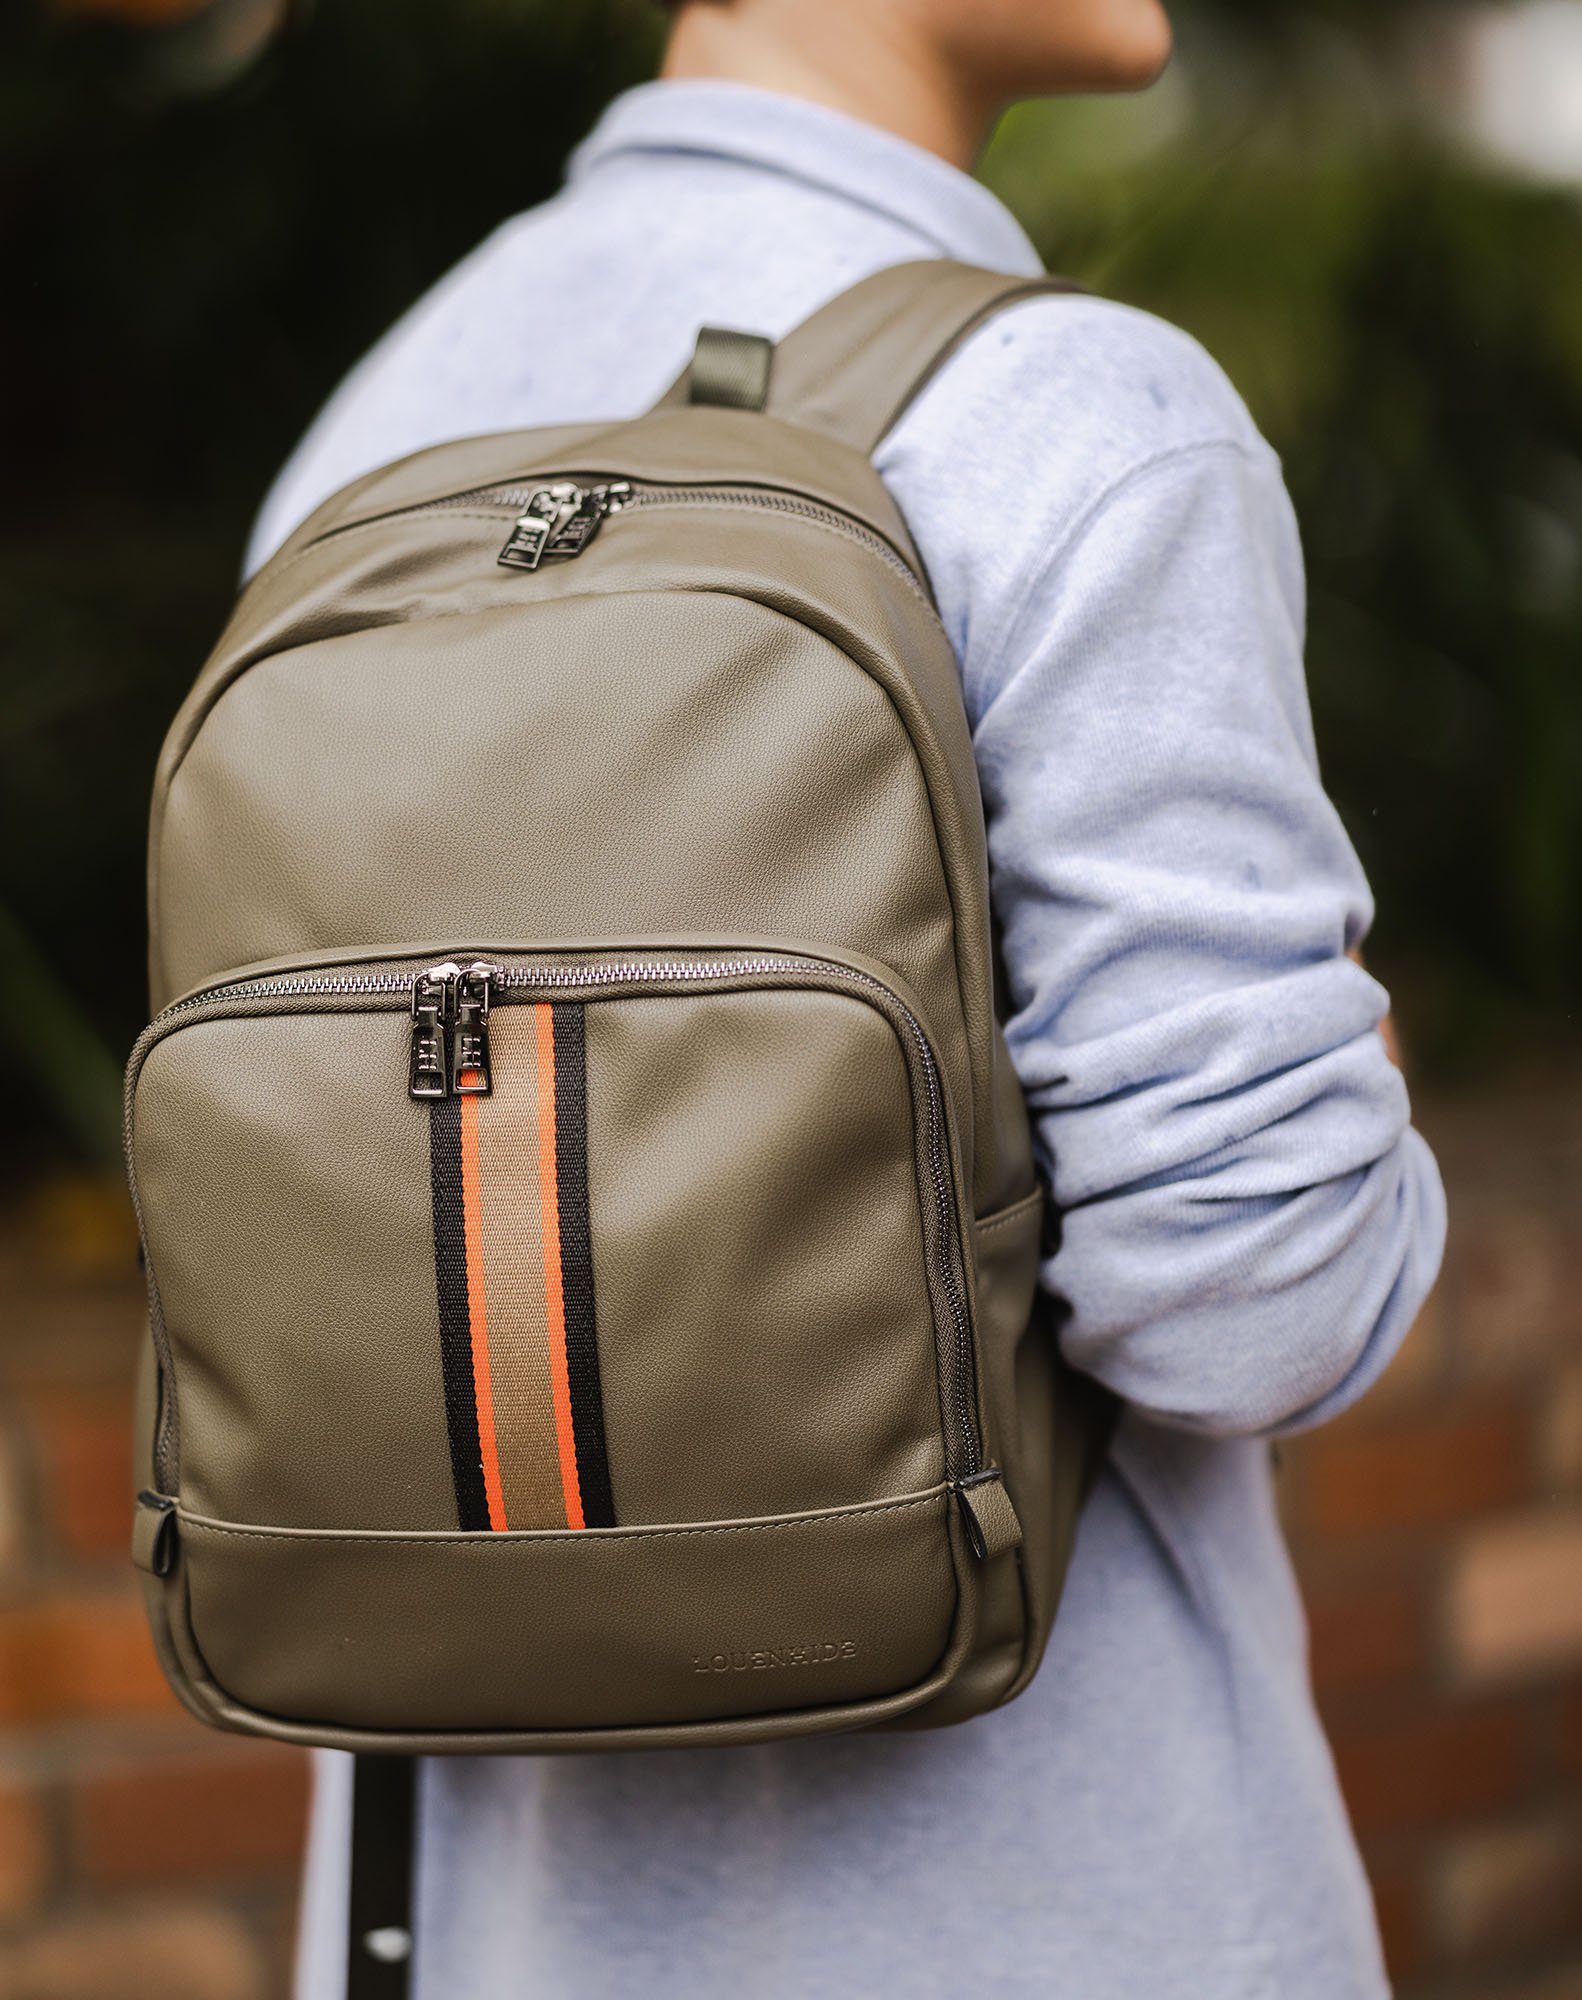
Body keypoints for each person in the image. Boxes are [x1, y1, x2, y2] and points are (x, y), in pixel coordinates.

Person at [251, 2, 1447, 1994]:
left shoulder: (366, 437)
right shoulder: (1073, 415)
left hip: (467, 1931)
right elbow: (1251, 1298)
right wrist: (1359, 1064)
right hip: (1043, 1919)